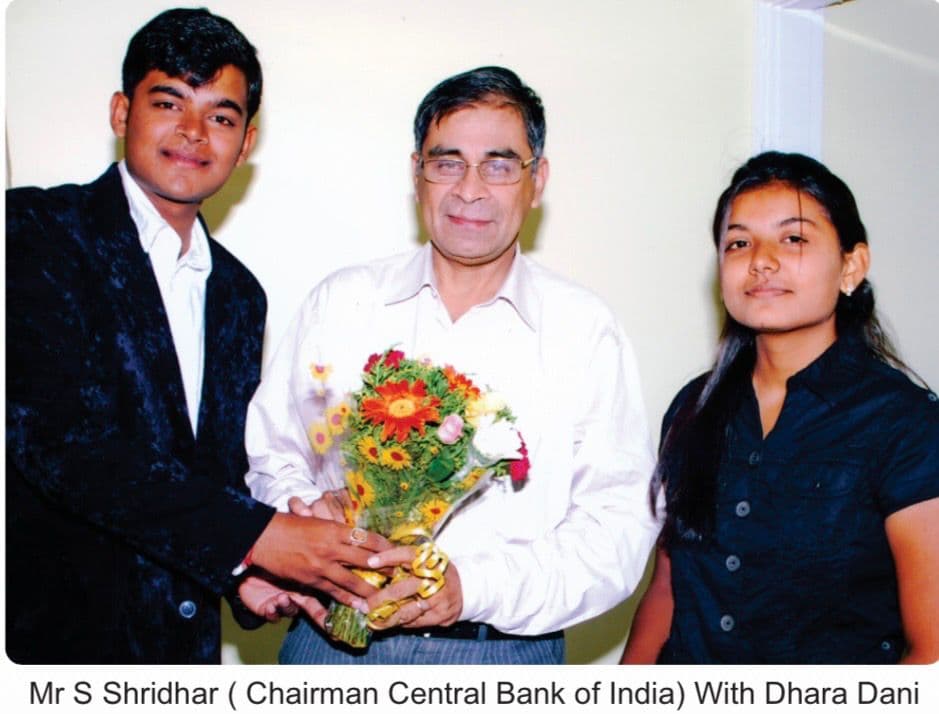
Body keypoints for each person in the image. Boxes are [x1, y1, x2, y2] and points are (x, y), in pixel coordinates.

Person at [5, 8, 386, 665]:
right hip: (50, 651)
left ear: (245, 142)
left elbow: (213, 473)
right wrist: (257, 535)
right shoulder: (35, 231)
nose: (193, 132)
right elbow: (57, 444)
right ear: (122, 113)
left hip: (184, 662)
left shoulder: (240, 293)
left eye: (220, 115)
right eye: (169, 101)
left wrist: (250, 576)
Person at [245, 66, 660, 664]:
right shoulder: (343, 303)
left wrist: (473, 587)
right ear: (417, 174)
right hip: (332, 644)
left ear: (536, 179)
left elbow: (616, 531)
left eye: (498, 164)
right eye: (446, 163)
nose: (469, 189)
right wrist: (307, 513)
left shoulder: (583, 330)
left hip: (500, 656)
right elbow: (271, 454)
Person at [620, 151, 939, 665]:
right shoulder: (692, 409)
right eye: (739, 242)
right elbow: (669, 592)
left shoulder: (907, 425)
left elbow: (932, 652)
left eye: (793, 238)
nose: (760, 260)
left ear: (851, 265)